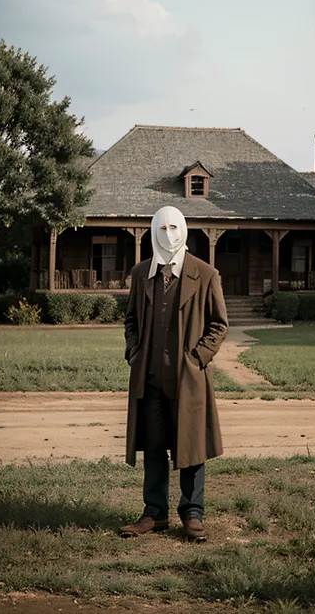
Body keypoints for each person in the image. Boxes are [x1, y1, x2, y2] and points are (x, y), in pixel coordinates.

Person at [120, 205, 228, 542]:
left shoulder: (206, 274)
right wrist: (134, 353)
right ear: (153, 232)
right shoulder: (141, 274)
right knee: (153, 446)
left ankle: (192, 513)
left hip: (189, 379)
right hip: (150, 378)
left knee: (191, 446)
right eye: (162, 228)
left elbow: (219, 325)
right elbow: (131, 322)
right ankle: (154, 513)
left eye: (175, 227)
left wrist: (196, 360)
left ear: (184, 229)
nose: (169, 234)